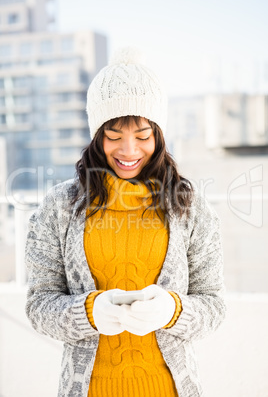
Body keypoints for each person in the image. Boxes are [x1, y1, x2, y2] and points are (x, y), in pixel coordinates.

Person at [25, 47, 226, 397]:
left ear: (159, 135)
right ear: (96, 135)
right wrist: (87, 313)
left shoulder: (190, 207)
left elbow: (214, 305)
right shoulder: (59, 207)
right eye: (114, 136)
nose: (129, 150)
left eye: (143, 135)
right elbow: (38, 304)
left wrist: (172, 311)